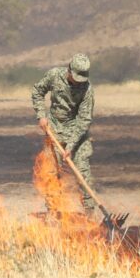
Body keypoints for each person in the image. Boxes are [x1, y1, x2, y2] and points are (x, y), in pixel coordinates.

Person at [31, 53, 96, 213]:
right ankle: (53, 212)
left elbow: (84, 120)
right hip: (54, 130)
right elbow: (37, 91)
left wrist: (71, 145)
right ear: (69, 70)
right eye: (76, 77)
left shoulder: (87, 89)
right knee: (51, 172)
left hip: (77, 134)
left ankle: (90, 213)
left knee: (83, 171)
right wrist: (41, 115)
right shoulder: (54, 75)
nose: (78, 82)